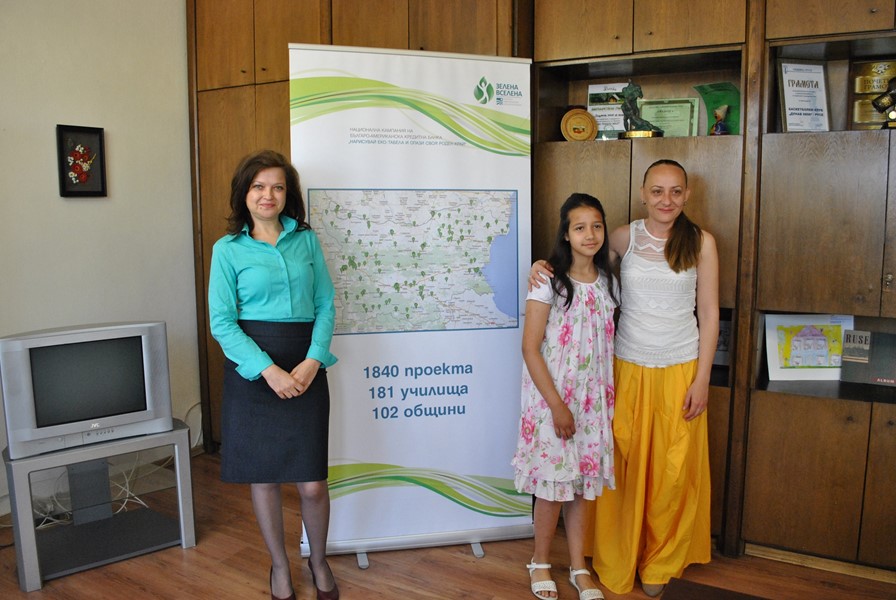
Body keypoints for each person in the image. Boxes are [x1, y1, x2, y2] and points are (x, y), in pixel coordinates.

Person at [530, 160, 719, 597]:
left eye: (675, 191)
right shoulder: (621, 237)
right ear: (643, 193)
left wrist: (703, 379)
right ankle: (617, 555)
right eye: (657, 191)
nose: (666, 200)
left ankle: (659, 560)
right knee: (623, 470)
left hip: (681, 368)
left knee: (672, 472)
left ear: (687, 195)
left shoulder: (701, 242)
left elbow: (710, 313)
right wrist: (542, 265)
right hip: (625, 367)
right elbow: (583, 267)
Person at [208, 149, 340, 600]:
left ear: (288, 194)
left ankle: (318, 560)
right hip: (254, 372)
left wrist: (313, 359)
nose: (268, 195)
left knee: (312, 483)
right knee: (263, 478)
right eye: (259, 186)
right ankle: (280, 567)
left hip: (305, 367)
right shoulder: (227, 250)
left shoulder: (306, 239)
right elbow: (222, 322)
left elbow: (325, 304)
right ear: (244, 193)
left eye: (278, 187)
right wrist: (269, 371)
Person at [513, 193, 619, 600]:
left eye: (597, 226)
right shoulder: (548, 282)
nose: (590, 234)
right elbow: (530, 348)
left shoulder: (609, 281)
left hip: (593, 403)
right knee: (552, 487)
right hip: (553, 401)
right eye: (580, 227)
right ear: (566, 234)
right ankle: (540, 562)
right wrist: (557, 406)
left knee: (581, 487)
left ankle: (578, 566)